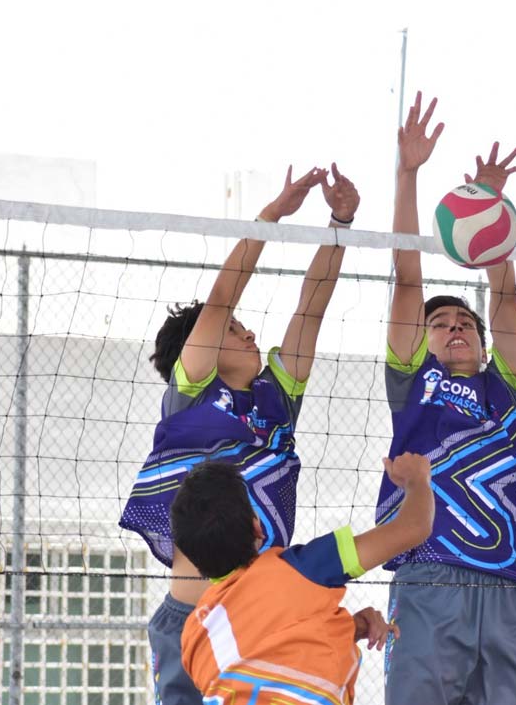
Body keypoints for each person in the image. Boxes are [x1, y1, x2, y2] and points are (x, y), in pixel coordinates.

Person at [119, 163, 360, 705]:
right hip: (192, 616)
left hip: (261, 617)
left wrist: (340, 223)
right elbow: (222, 297)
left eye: (242, 326)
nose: (248, 331)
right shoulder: (192, 393)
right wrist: (272, 215)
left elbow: (311, 308)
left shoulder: (278, 397)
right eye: (232, 329)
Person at [379, 91, 516, 704]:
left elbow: (505, 300)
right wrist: (408, 173)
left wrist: (490, 209)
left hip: (506, 582)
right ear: (423, 340)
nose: (455, 328)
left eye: (465, 323)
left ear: (481, 339)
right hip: (430, 570)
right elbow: (407, 278)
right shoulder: (413, 381)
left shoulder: (507, 388)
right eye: (441, 323)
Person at [174, 453, 435, 705]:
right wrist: (417, 480)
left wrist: (349, 628)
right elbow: (414, 527)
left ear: (193, 558)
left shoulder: (194, 637)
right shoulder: (303, 568)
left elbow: (265, 654)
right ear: (257, 528)